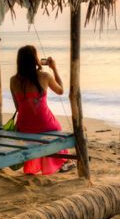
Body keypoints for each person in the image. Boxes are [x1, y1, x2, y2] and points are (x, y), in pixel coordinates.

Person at [10, 45, 74, 175]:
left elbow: (18, 107)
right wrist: (54, 69)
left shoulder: (13, 80)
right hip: (46, 125)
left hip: (24, 127)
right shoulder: (45, 76)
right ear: (35, 60)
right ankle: (63, 161)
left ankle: (40, 164)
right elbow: (61, 90)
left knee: (36, 127)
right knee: (56, 127)